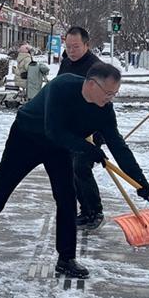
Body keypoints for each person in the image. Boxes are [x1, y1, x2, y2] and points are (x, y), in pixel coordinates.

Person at [0, 63, 149, 279]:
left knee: (67, 197)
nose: (110, 98)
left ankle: (66, 259)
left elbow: (118, 145)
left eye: (114, 94)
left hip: (59, 147)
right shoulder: (62, 86)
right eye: (108, 92)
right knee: (2, 186)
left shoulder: (105, 111)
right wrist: (86, 148)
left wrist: (139, 181)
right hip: (27, 136)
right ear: (91, 84)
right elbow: (53, 130)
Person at [57, 26, 106, 230]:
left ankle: (95, 211)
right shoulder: (66, 63)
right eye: (68, 47)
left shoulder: (97, 68)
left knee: (81, 168)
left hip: (92, 128)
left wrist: (95, 134)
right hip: (71, 129)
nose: (71, 51)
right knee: (71, 170)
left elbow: (103, 102)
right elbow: (57, 89)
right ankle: (85, 210)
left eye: (75, 46)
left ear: (87, 45)